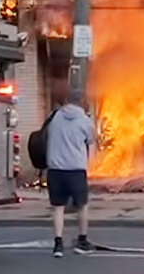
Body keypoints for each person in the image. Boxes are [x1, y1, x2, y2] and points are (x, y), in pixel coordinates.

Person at [44, 77, 96, 257]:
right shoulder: (84, 120)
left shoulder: (55, 117)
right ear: (81, 102)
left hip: (55, 169)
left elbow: (46, 136)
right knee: (81, 206)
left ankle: (58, 244)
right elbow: (91, 139)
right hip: (75, 169)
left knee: (58, 207)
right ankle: (82, 241)